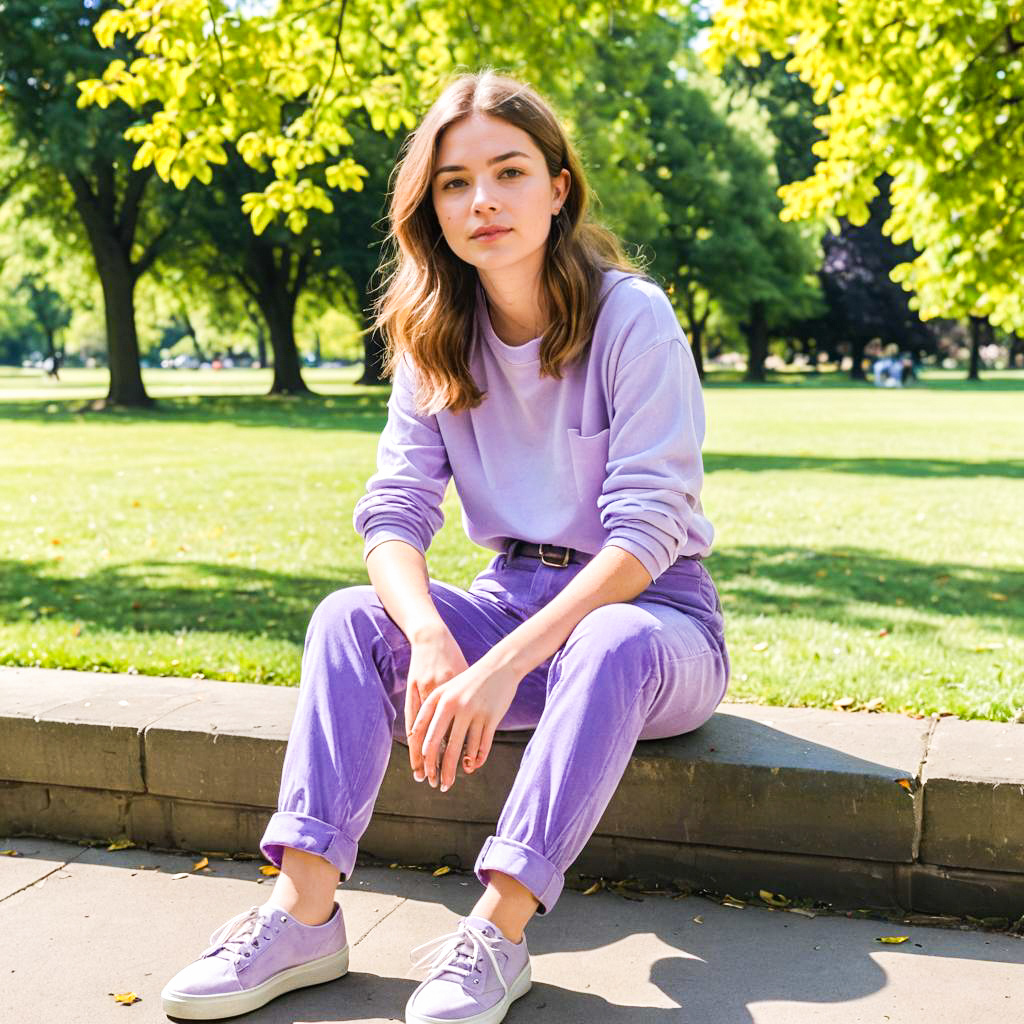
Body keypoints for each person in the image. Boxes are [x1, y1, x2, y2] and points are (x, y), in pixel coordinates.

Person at [160, 69, 730, 1023]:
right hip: (507, 596)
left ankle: (495, 936)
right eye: (455, 183)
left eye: (509, 172)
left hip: (654, 621)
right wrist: (429, 638)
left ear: (559, 186)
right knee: (351, 617)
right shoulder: (430, 331)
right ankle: (302, 914)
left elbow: (646, 533)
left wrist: (502, 664)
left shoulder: (633, 316)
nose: (483, 201)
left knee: (609, 640)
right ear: (431, 207)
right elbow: (393, 513)